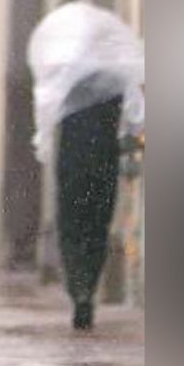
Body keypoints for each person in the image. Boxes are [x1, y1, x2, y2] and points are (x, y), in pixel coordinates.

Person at [55, 71, 136, 330]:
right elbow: (133, 124)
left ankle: (77, 289)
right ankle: (87, 289)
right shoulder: (115, 84)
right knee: (97, 228)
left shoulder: (66, 82)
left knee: (71, 229)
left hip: (71, 164)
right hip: (104, 164)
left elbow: (49, 119)